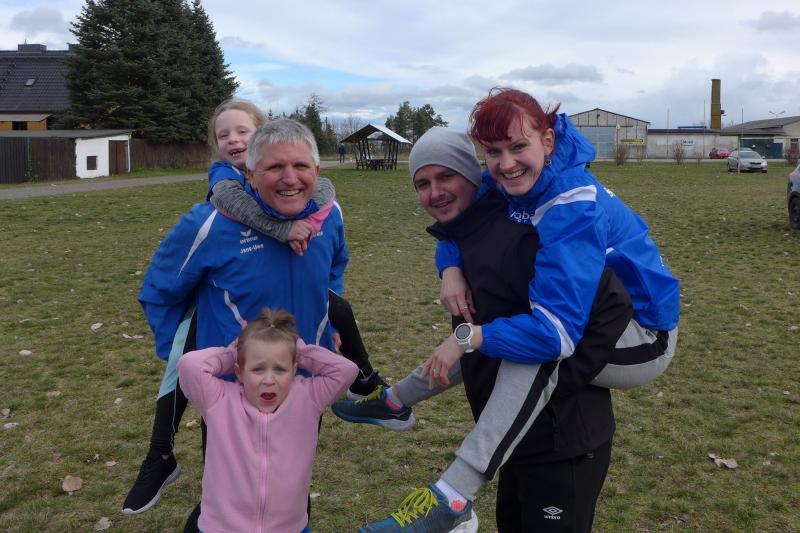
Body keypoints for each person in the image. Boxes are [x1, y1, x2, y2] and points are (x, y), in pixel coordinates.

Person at [336, 127, 633, 532]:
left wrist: (464, 337)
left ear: (473, 174)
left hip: (561, 439)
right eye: (422, 183)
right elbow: (484, 326)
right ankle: (396, 406)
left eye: (446, 177)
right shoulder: (473, 228)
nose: (435, 192)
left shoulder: (523, 230)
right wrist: (450, 266)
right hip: (514, 437)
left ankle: (452, 493)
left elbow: (561, 327)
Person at [123, 119, 348, 526]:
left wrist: (326, 326)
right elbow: (159, 291)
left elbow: (334, 271)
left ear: (317, 171)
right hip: (233, 393)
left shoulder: (329, 217)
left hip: (301, 388)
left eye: (300, 166)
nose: (290, 179)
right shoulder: (209, 223)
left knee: (291, 489)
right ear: (251, 173)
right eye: (275, 167)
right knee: (228, 498)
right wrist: (183, 357)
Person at [178, 308, 358, 533]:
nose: (269, 380)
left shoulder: (308, 397)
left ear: (294, 370)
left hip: (290, 528)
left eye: (280, 369)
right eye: (258, 369)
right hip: (222, 528)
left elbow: (346, 370)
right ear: (239, 372)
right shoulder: (219, 399)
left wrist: (298, 351)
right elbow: (189, 365)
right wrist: (233, 353)